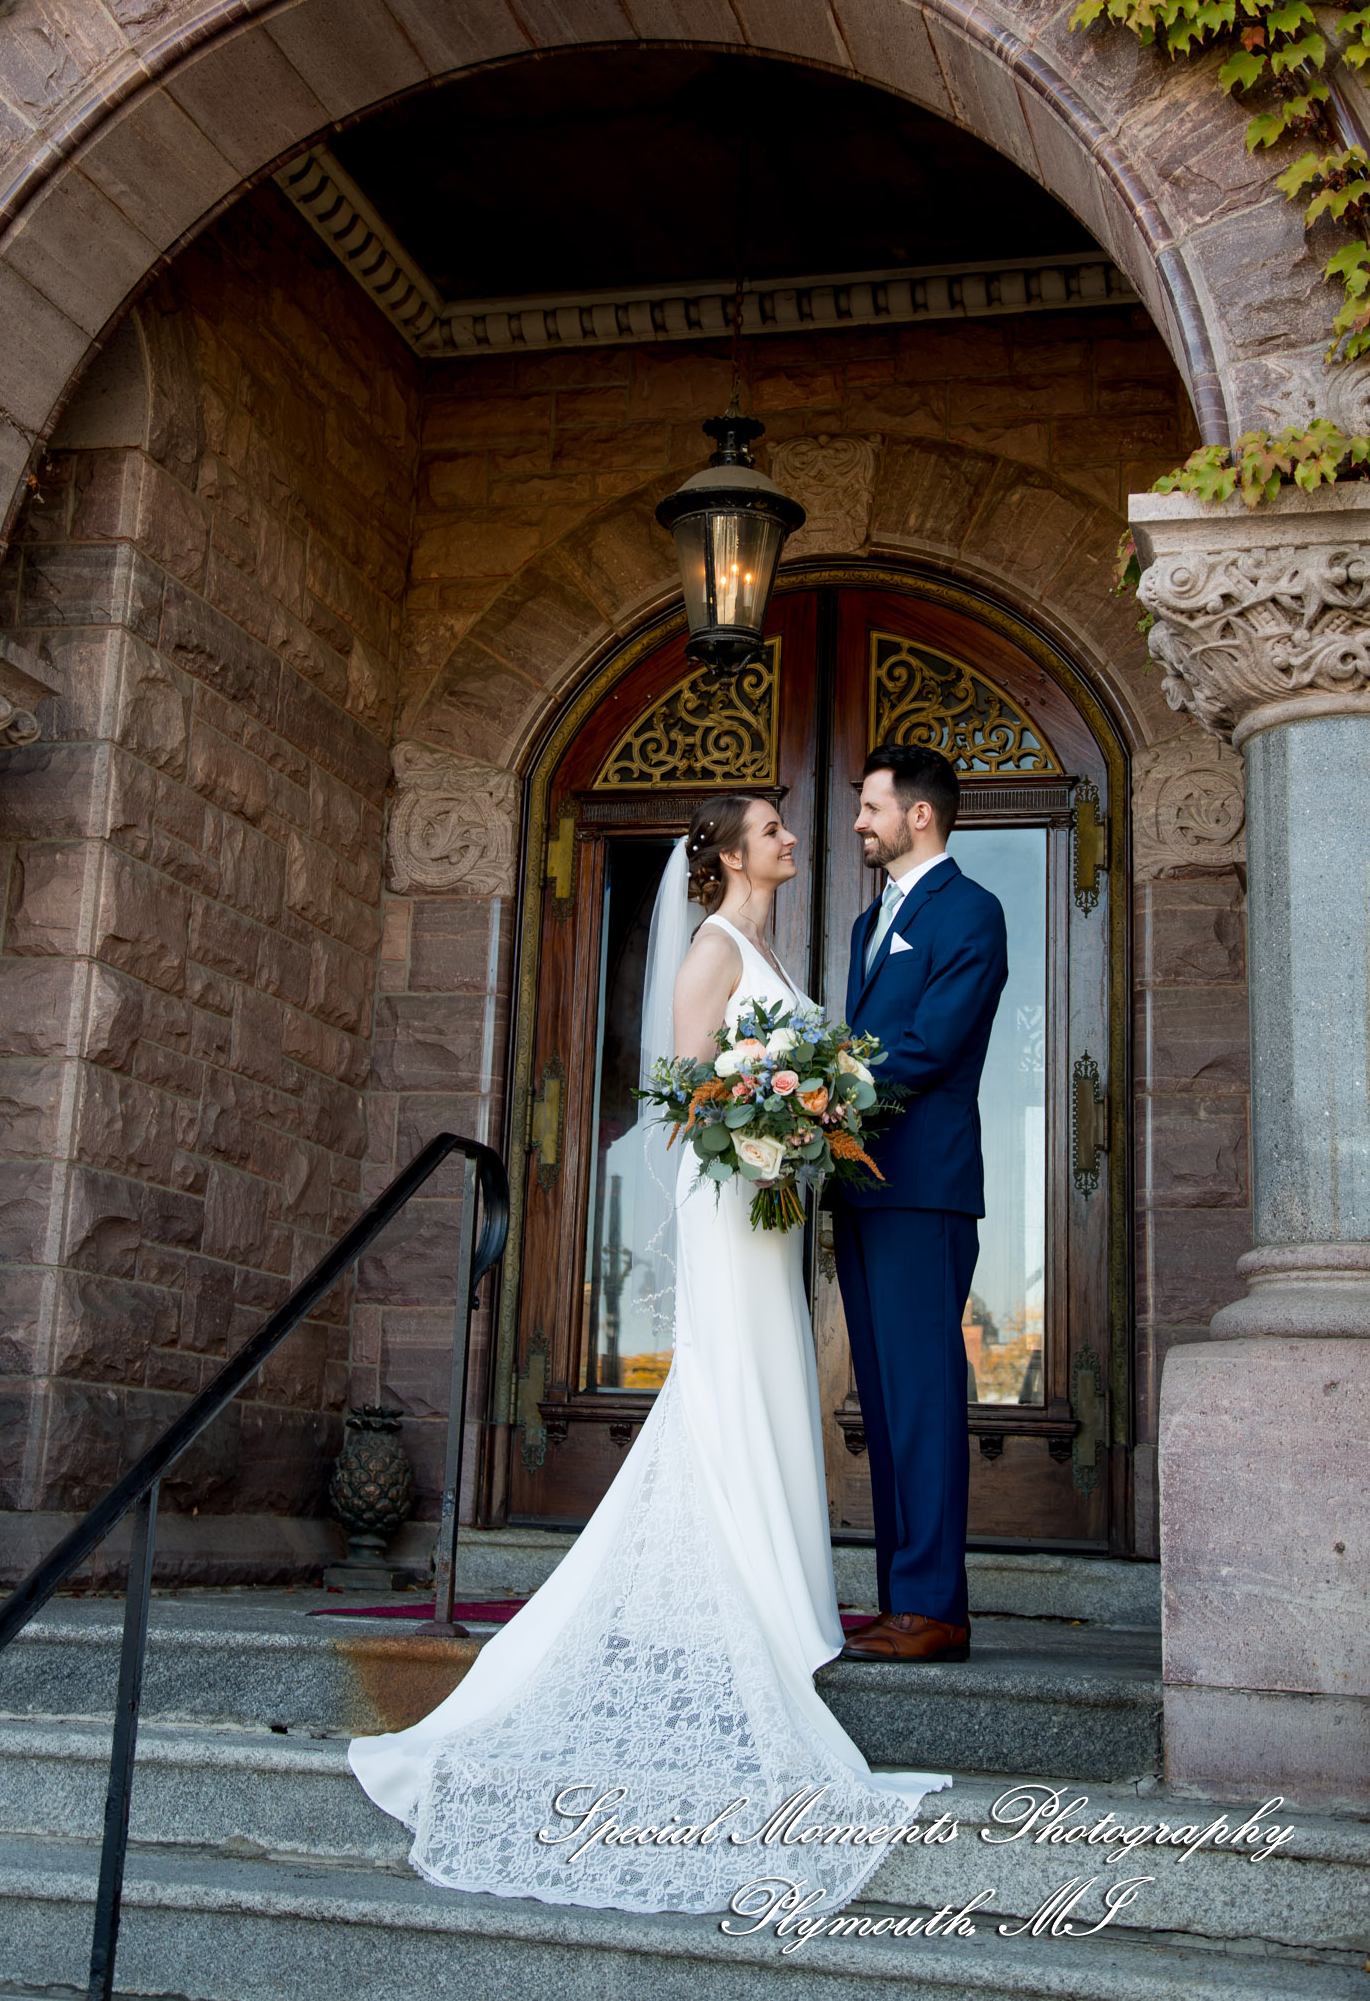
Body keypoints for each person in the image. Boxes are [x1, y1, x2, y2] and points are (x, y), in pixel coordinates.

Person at [346, 793, 947, 1914]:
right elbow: (682, 1101)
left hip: (773, 1209)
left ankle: (785, 1598)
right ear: (727, 855)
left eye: (784, 825)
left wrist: (801, 1125)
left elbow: (768, 1079)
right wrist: (766, 1130)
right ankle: (755, 1599)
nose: (788, 838)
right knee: (729, 1388)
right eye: (770, 827)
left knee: (771, 1392)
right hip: (735, 1208)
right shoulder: (712, 951)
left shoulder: (766, 944)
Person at [831, 744, 1009, 1666]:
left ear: (920, 816)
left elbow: (932, 1046)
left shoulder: (972, 911)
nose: (860, 822)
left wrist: (822, 1092)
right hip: (861, 1187)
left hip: (925, 1186)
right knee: (890, 1401)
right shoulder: (872, 923)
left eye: (870, 807)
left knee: (926, 1395)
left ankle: (936, 1605)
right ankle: (904, 1595)